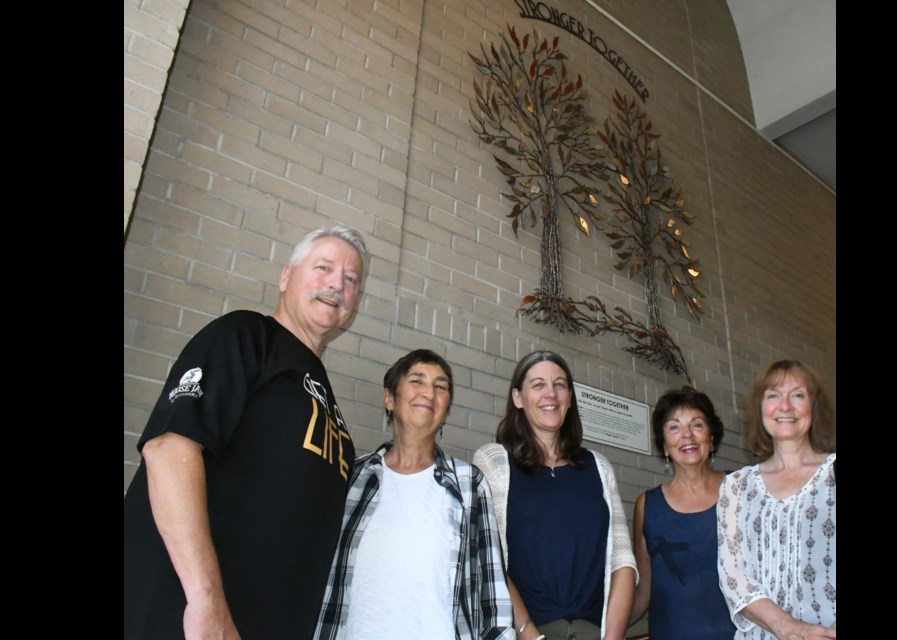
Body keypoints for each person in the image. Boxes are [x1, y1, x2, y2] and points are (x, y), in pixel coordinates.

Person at [124, 225, 367, 640]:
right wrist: (206, 601)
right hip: (186, 616)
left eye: (350, 279)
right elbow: (169, 450)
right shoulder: (246, 336)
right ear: (286, 277)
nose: (336, 284)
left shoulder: (326, 403)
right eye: (323, 267)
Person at [314, 348, 516, 639]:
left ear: (446, 408)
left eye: (441, 386)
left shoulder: (469, 484)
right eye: (417, 380)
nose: (429, 392)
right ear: (389, 398)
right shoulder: (352, 478)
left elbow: (492, 591)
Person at [473, 350, 637, 640]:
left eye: (560, 385)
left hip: (593, 632)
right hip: (522, 632)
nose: (551, 393)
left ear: (570, 398)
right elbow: (488, 557)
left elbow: (622, 561)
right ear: (518, 398)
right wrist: (530, 635)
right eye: (538, 385)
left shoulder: (598, 467)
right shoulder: (494, 462)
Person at [717, 360, 836, 640]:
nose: (785, 406)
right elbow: (733, 576)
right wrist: (789, 628)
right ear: (760, 408)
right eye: (773, 395)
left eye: (798, 395)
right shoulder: (736, 485)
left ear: (813, 407)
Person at [629, 386, 736, 639]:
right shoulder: (647, 505)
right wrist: (602, 627)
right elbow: (644, 591)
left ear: (711, 438)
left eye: (697, 425)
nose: (687, 435)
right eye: (674, 427)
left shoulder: (740, 489)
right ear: (664, 446)